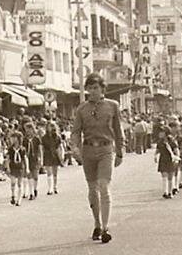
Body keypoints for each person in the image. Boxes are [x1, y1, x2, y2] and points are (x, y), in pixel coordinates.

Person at [70, 73, 124, 243]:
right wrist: (75, 147)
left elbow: (118, 129)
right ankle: (97, 223)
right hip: (88, 151)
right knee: (92, 189)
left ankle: (106, 227)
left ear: (102, 89)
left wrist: (120, 150)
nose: (92, 91)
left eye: (96, 88)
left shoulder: (112, 106)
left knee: (104, 186)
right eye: (90, 88)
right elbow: (76, 131)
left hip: (106, 149)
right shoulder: (81, 109)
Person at [155, 128, 179, 199]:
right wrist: (155, 156)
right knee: (164, 175)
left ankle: (170, 192)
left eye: (161, 132)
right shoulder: (160, 142)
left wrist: (176, 158)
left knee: (170, 177)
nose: (160, 134)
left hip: (170, 160)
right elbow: (157, 150)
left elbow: (176, 150)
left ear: (165, 133)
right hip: (163, 160)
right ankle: (165, 192)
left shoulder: (171, 141)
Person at [23, 120, 43, 200]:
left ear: (32, 129)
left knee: (35, 176)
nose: (27, 131)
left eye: (29, 129)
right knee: (29, 175)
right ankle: (31, 192)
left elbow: (40, 149)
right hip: (27, 158)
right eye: (26, 129)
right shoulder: (24, 140)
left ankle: (35, 189)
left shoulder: (36, 139)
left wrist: (41, 159)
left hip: (35, 158)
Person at [42, 121, 63, 195]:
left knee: (55, 173)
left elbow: (60, 147)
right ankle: (50, 188)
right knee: (49, 172)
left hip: (55, 154)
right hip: (47, 154)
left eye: (52, 126)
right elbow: (42, 148)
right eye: (49, 126)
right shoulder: (44, 137)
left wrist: (61, 155)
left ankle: (55, 186)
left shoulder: (57, 137)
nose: (50, 128)